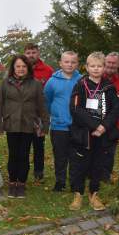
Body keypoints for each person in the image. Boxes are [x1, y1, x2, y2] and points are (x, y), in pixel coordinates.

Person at [69, 52, 119, 211]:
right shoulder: (80, 84)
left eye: (99, 66)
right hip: (84, 133)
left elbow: (116, 108)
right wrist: (93, 126)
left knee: (98, 164)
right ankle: (78, 194)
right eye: (93, 66)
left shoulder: (109, 87)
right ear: (87, 67)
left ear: (104, 67)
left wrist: (103, 126)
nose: (96, 69)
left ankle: (94, 194)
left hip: (102, 134)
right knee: (80, 164)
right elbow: (75, 109)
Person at [0, 55, 49, 199]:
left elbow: (42, 106)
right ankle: (12, 183)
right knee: (13, 155)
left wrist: (44, 127)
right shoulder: (5, 83)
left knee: (24, 155)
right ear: (13, 68)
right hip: (11, 122)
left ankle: (21, 184)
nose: (21, 69)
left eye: (24, 66)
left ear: (28, 68)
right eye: (18, 66)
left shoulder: (36, 84)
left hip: (28, 123)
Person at [44, 51, 82, 192]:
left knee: (75, 156)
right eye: (66, 62)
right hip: (58, 126)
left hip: (77, 126)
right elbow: (47, 101)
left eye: (73, 62)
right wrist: (55, 114)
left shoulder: (82, 80)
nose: (70, 64)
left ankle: (74, 183)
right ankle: (60, 182)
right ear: (60, 63)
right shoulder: (52, 81)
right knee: (60, 156)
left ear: (77, 64)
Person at [23, 43, 54, 183]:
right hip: (23, 114)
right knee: (23, 143)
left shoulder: (48, 70)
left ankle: (38, 172)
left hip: (39, 115)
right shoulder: (20, 69)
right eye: (28, 52)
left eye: (33, 52)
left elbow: (51, 93)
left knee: (38, 145)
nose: (31, 55)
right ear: (24, 54)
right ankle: (22, 171)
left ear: (38, 53)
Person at [103, 52, 119, 182]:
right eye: (109, 62)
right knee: (94, 150)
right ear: (104, 62)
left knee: (110, 152)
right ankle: (91, 174)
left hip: (115, 124)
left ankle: (105, 176)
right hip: (95, 122)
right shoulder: (96, 78)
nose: (111, 65)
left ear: (118, 64)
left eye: (114, 63)